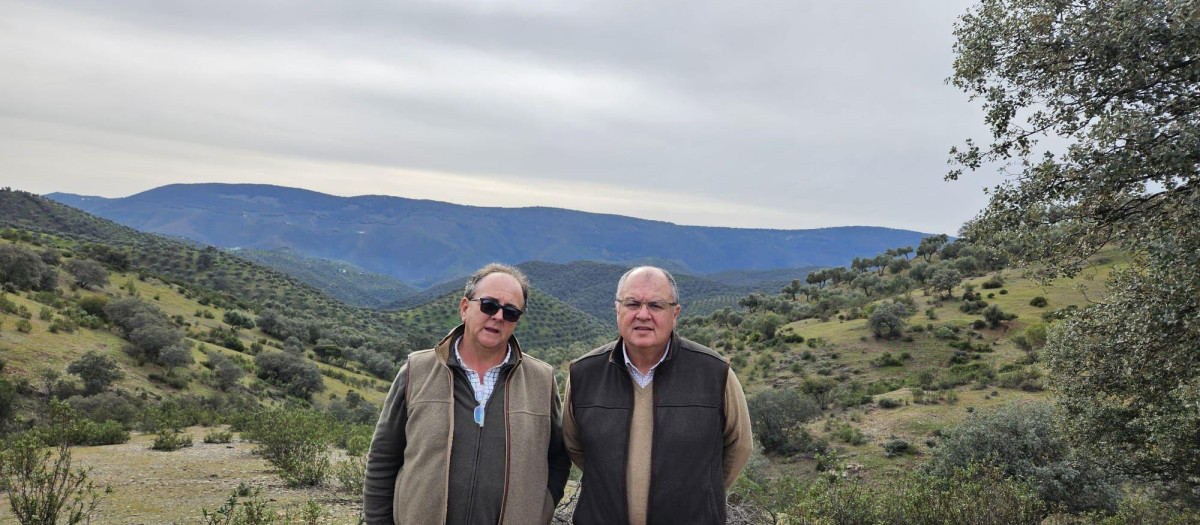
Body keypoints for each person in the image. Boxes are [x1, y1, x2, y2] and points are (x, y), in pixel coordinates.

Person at [364, 263, 570, 525]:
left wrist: (541, 509)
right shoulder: (416, 371)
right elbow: (383, 458)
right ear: (464, 308)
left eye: (510, 312)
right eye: (488, 305)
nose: (498, 316)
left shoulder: (542, 380)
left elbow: (558, 457)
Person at [563, 266, 753, 525]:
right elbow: (575, 446)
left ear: (675, 313)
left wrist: (700, 494)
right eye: (632, 304)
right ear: (617, 309)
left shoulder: (715, 373)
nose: (643, 314)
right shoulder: (583, 374)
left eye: (655, 305)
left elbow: (740, 446)